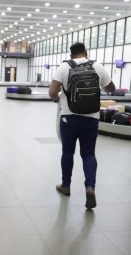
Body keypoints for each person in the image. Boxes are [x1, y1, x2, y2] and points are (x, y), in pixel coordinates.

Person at [48, 42, 115, 209]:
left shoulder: (64, 67)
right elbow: (112, 88)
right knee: (88, 154)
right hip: (91, 118)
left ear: (71, 55)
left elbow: (52, 91)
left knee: (68, 152)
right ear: (86, 53)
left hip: (68, 118)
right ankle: (90, 187)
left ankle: (66, 186)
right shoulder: (97, 66)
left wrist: (58, 99)